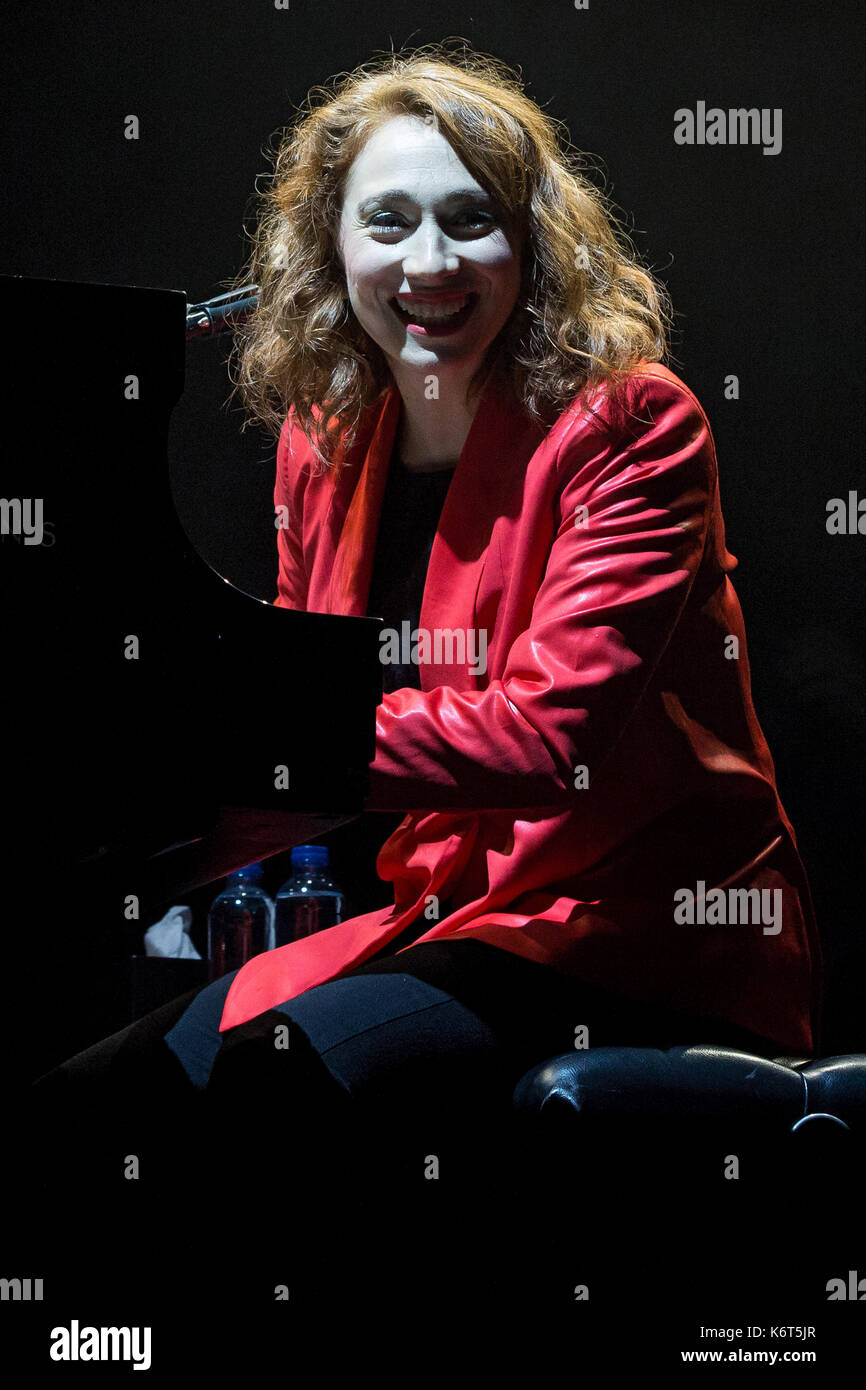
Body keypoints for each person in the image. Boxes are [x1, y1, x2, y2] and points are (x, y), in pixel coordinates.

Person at [30, 44, 821, 1271]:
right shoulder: (326, 440)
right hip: (443, 920)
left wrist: (241, 742)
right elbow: (304, 746)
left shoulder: (634, 421)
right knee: (85, 1105)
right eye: (386, 222)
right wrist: (118, 844)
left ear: (530, 245)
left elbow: (547, 738)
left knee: (265, 1097)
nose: (429, 264)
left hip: (632, 934)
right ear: (329, 248)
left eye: (471, 222)